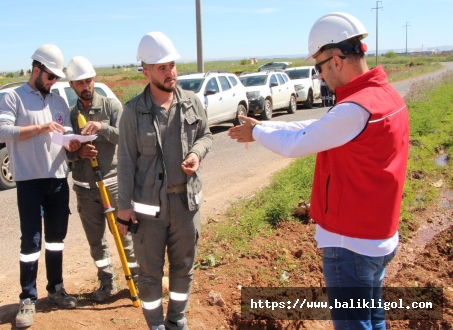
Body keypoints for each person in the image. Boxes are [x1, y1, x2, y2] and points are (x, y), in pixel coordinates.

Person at [229, 12, 409, 329]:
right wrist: (266, 126)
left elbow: (297, 143)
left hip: (350, 242)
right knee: (373, 319)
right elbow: (322, 127)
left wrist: (256, 134)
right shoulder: (384, 97)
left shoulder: (355, 108)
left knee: (355, 324)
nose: (321, 77)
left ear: (337, 60)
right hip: (378, 236)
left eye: (319, 67)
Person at [116, 32, 213, 330]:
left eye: (172, 65)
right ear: (145, 71)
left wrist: (197, 153)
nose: (170, 72)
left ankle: (176, 321)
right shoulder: (133, 112)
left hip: (186, 204)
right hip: (148, 210)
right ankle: (155, 324)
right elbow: (126, 162)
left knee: (184, 266)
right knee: (149, 273)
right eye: (161, 67)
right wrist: (123, 209)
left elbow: (206, 136)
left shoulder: (192, 102)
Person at [0, 44, 80, 328]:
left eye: (57, 78)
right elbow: (3, 131)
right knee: (30, 242)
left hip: (57, 178)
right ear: (36, 70)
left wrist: (73, 141)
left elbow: (65, 132)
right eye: (51, 76)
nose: (54, 82)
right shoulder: (13, 98)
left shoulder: (57, 101)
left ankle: (55, 289)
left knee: (56, 240)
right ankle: (27, 299)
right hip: (29, 182)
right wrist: (41, 128)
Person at [65, 56, 139, 303]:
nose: (85, 86)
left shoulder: (111, 107)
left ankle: (136, 281)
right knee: (96, 243)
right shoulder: (71, 115)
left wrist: (102, 127)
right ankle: (106, 283)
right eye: (79, 83)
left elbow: (126, 139)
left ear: (94, 80)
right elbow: (63, 151)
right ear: (72, 86)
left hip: (112, 184)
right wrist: (77, 153)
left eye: (88, 81)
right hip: (85, 189)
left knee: (125, 236)